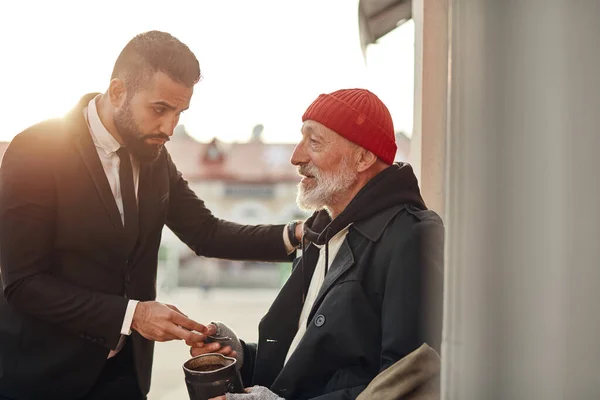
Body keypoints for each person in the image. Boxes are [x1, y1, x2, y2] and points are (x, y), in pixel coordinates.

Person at [0, 31, 302, 400]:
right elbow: (23, 283)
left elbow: (205, 232)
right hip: (44, 376)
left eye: (180, 113)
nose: (170, 128)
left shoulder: (154, 155)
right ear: (117, 92)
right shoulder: (36, 150)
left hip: (126, 377)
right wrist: (133, 315)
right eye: (160, 109)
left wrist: (297, 233)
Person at [191, 88, 445, 400]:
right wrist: (242, 355)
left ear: (364, 157)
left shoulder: (412, 236)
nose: (296, 157)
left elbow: (405, 386)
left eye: (314, 142)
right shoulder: (322, 233)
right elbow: (306, 359)